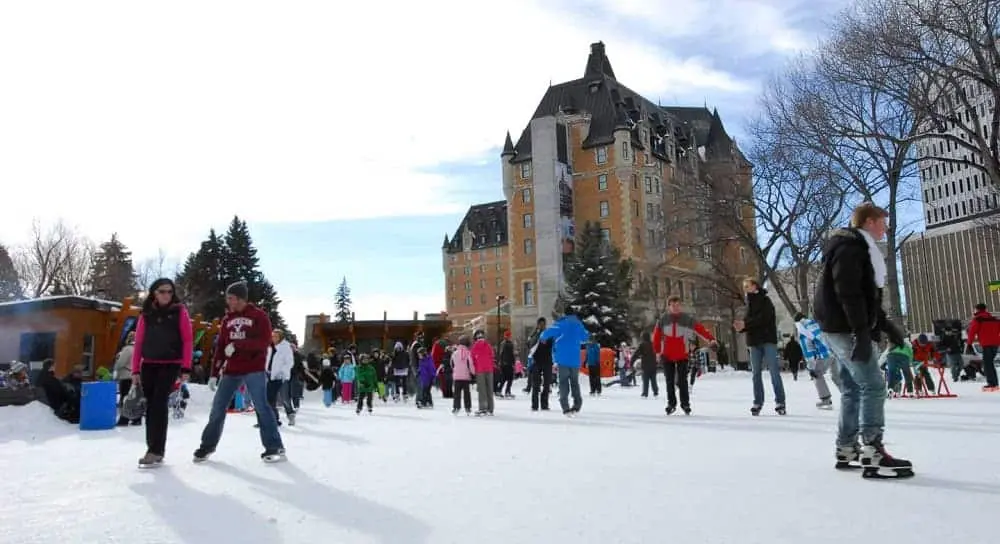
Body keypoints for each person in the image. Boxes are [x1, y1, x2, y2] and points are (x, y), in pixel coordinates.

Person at [813, 202, 912, 479]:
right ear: (869, 221)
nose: (886, 228)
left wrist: (886, 327)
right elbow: (849, 293)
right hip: (844, 328)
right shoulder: (851, 248)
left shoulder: (856, 247)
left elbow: (866, 297)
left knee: (852, 388)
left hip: (837, 327)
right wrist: (861, 333)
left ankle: (846, 447)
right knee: (873, 385)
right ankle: (872, 450)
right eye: (883, 222)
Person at [194, 281, 285, 464]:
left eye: (231, 298)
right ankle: (207, 445)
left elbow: (263, 342)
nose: (228, 302)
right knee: (218, 408)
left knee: (261, 406)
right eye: (227, 298)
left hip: (253, 369)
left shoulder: (259, 317)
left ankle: (274, 446)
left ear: (241, 298)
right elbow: (221, 347)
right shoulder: (227, 320)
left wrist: (238, 345)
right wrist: (214, 372)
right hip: (231, 371)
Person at [130, 278, 194, 468]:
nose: (166, 295)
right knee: (151, 406)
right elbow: (139, 343)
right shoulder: (146, 314)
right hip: (149, 363)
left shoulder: (179, 312)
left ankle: (156, 450)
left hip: (171, 363)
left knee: (159, 403)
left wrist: (186, 367)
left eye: (169, 291)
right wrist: (134, 369)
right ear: (154, 293)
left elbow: (188, 340)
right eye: (162, 291)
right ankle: (153, 448)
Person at [653, 295, 716, 415]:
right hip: (667, 354)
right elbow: (656, 337)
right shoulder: (663, 320)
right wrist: (657, 351)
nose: (675, 308)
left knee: (683, 381)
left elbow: (701, 329)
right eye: (673, 306)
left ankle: (685, 404)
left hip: (682, 354)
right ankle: (671, 404)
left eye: (677, 305)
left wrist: (711, 339)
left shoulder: (687, 319)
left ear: (680, 306)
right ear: (669, 307)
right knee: (669, 381)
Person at [735, 279, 786, 416]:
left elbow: (764, 318)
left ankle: (780, 401)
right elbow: (748, 322)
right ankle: (757, 402)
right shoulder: (747, 303)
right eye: (744, 286)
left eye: (748, 286)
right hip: (753, 341)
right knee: (756, 373)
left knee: (774, 371)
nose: (746, 288)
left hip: (767, 339)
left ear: (755, 286)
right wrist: (741, 327)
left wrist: (746, 324)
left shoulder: (765, 300)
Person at [540, 307, 590, 416]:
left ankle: (566, 407)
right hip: (575, 360)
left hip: (562, 359)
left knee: (563, 383)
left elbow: (549, 331)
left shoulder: (561, 323)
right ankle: (577, 405)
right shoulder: (578, 324)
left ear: (565, 313)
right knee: (575, 383)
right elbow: (585, 337)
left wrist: (543, 337)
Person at [794, 313, 841, 410]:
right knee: (836, 376)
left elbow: (808, 349)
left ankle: (826, 400)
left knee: (816, 373)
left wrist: (811, 366)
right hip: (834, 352)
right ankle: (851, 396)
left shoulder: (803, 329)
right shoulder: (815, 323)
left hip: (824, 355)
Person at [264, 329, 296, 426]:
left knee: (284, 398)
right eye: (272, 336)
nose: (274, 338)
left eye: (276, 336)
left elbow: (290, 362)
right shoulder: (269, 347)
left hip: (281, 377)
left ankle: (290, 415)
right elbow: (267, 359)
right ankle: (274, 419)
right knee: (270, 399)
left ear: (281, 337)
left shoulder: (285, 347)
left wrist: (283, 372)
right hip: (270, 375)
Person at [968, 303, 1000, 392]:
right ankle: (994, 382)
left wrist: (969, 344)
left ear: (977, 310)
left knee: (987, 364)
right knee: (990, 363)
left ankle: (992, 384)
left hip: (986, 344)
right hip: (996, 344)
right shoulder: (994, 319)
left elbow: (972, 332)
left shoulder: (978, 319)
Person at [114, 332, 139, 426]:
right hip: (137, 377)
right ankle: (137, 418)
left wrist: (116, 366)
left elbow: (121, 363)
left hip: (126, 376)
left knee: (125, 398)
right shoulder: (140, 349)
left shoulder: (127, 349)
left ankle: (124, 419)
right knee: (134, 398)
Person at [471, 330, 496, 416]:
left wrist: (474, 369)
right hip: (489, 369)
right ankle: (490, 408)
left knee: (482, 390)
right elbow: (492, 356)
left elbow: (472, 359)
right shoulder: (488, 345)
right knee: (489, 389)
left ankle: (483, 408)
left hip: (480, 370)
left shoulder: (474, 347)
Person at [451, 335, 475, 415]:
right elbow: (471, 365)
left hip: (457, 377)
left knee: (457, 393)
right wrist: (473, 373)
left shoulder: (454, 353)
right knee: (466, 393)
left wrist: (455, 370)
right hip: (466, 377)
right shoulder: (468, 353)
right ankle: (467, 408)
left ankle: (456, 407)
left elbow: (452, 364)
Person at [528, 335, 554, 411]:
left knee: (546, 385)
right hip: (538, 363)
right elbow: (530, 347)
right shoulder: (536, 340)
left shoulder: (551, 340)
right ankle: (535, 405)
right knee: (536, 385)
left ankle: (543, 404)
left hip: (546, 363)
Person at [632, 331, 659, 398]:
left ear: (643, 337)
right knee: (653, 380)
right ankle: (655, 392)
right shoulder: (653, 344)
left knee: (645, 380)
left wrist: (632, 361)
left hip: (645, 365)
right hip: (653, 365)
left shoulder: (642, 345)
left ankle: (645, 393)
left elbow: (636, 354)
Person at [498, 331, 516, 398]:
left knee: (506, 378)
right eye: (508, 336)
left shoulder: (507, 343)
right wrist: (503, 362)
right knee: (508, 378)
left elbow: (511, 354)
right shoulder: (506, 343)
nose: (509, 337)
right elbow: (502, 354)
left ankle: (500, 391)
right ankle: (506, 392)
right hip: (506, 364)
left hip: (507, 363)